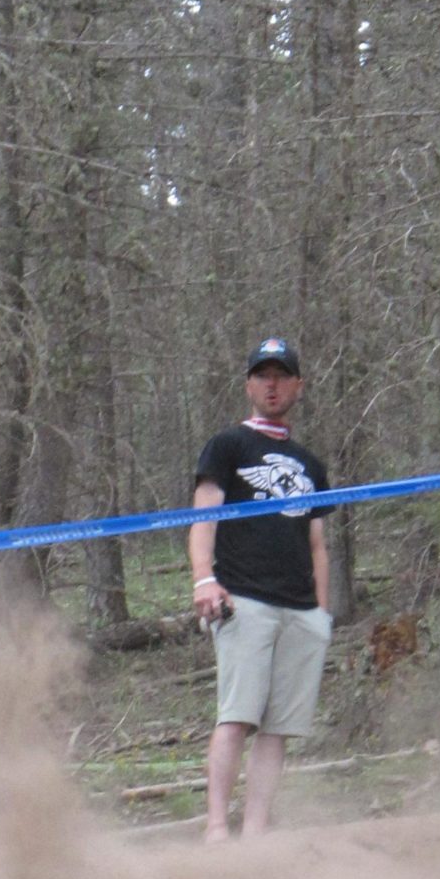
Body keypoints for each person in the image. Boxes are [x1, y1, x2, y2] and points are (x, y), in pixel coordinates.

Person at [189, 336, 333, 841]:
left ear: (296, 385)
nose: (272, 385)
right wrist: (204, 579)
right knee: (236, 716)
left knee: (278, 728)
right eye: (262, 375)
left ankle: (255, 832)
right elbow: (203, 517)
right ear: (249, 384)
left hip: (299, 607)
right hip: (244, 597)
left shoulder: (310, 463)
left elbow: (317, 541)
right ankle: (215, 828)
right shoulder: (228, 445)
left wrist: (322, 611)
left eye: (281, 376)